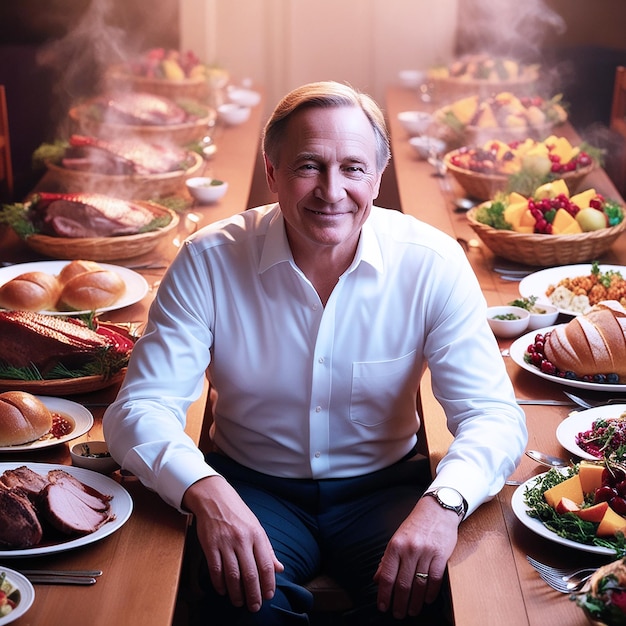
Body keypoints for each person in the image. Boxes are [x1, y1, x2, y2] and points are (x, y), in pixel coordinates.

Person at [103, 81, 527, 625]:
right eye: (308, 165)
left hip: (386, 488)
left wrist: (444, 503)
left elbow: (492, 415)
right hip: (250, 486)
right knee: (235, 605)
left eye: (353, 168)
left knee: (433, 600)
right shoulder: (208, 259)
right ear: (272, 172)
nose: (331, 191)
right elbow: (139, 408)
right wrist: (204, 490)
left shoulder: (433, 262)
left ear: (377, 177)